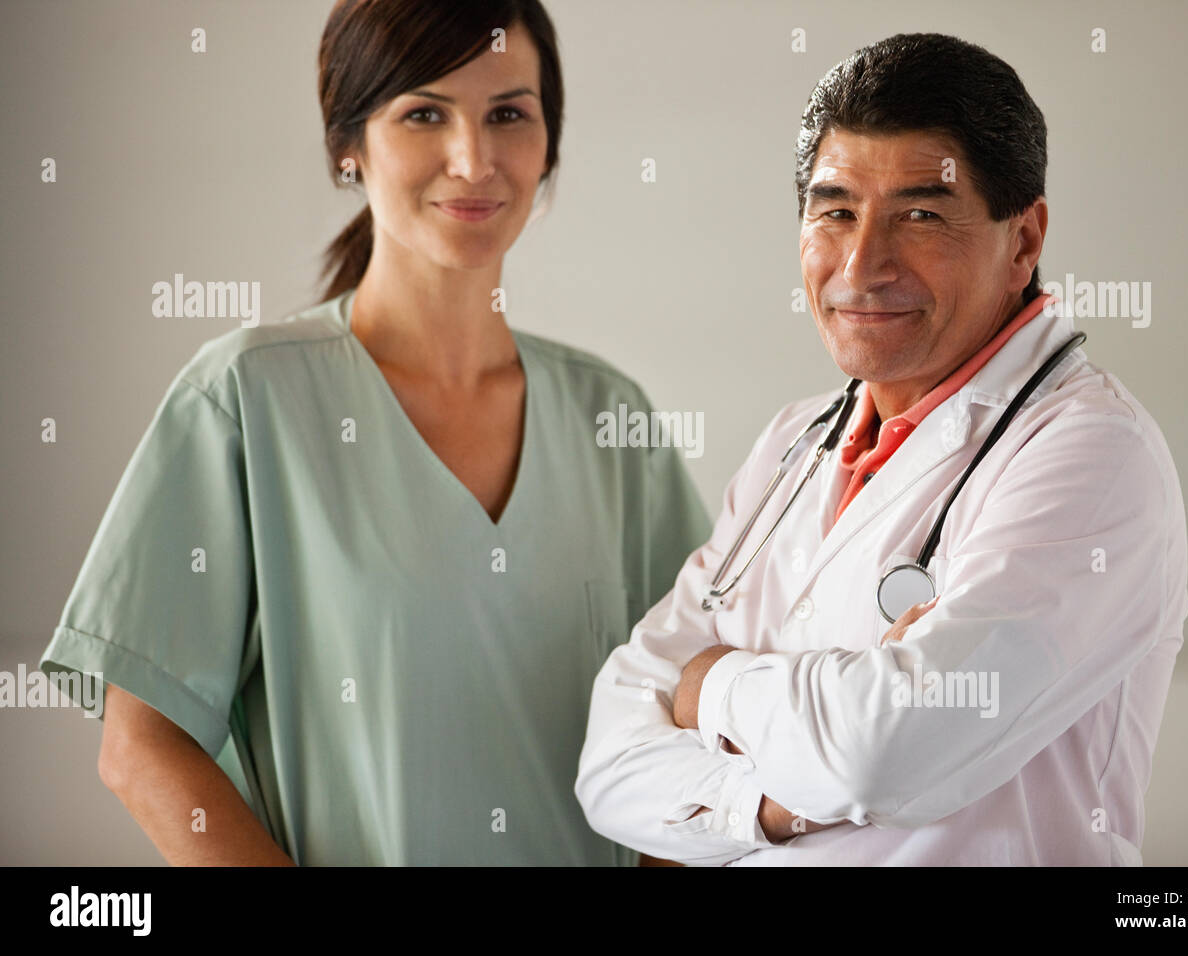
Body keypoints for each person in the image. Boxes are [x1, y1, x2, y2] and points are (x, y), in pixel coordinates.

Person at [40, 0, 711, 865]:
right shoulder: (246, 400)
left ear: (549, 146)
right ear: (347, 147)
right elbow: (141, 749)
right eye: (424, 113)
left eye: (509, 114)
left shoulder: (610, 419)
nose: (472, 159)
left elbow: (692, 718)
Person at [575, 33, 1188, 866]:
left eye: (921, 214)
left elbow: (885, 750)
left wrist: (708, 683)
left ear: (1025, 240)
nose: (862, 266)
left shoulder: (1092, 455)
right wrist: (763, 806)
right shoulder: (794, 445)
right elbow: (609, 759)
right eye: (835, 211)